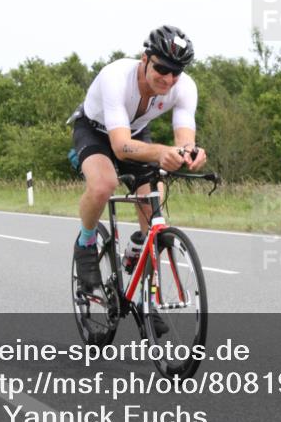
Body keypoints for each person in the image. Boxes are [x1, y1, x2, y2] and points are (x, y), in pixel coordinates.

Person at [69, 25, 208, 303]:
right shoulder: (116, 77)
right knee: (104, 184)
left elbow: (184, 136)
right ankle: (85, 243)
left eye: (176, 72)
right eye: (162, 69)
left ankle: (146, 298)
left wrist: (190, 152)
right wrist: (161, 153)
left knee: (153, 216)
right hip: (95, 130)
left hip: (134, 131)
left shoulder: (185, 87)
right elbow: (120, 148)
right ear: (145, 59)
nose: (168, 79)